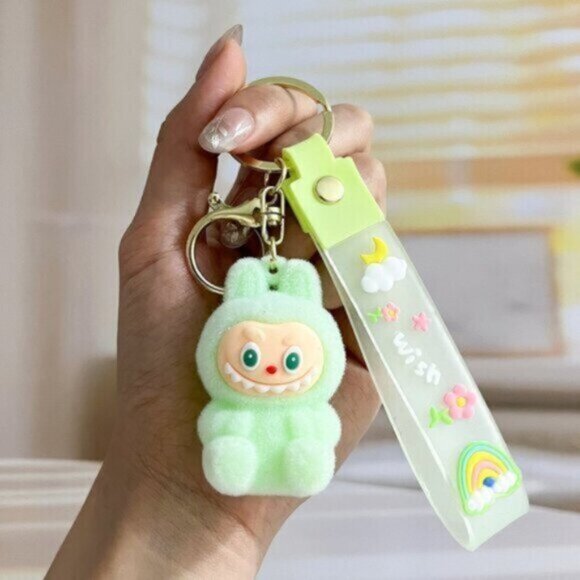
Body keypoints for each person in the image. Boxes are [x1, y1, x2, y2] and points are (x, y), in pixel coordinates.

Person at [47, 24, 386, 579]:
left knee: (305, 438)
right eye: (252, 356)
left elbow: (315, 428)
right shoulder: (225, 380)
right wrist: (162, 493)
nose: (271, 367)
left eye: (287, 359)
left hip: (277, 446)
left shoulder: (299, 350)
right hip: (209, 455)